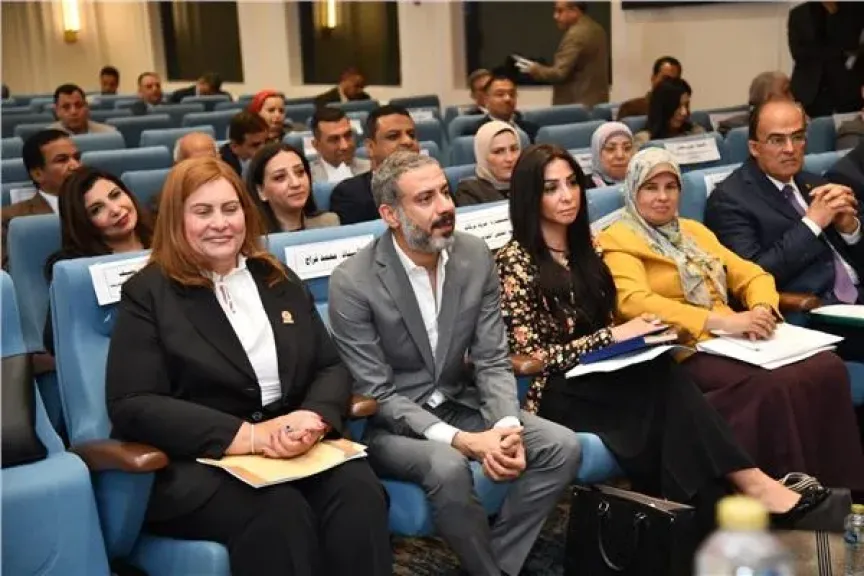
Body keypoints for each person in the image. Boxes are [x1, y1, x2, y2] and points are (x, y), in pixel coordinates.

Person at [497, 143, 836, 532]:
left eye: (572, 183)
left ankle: (706, 518)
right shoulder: (514, 261)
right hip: (555, 388)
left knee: (661, 373)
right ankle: (750, 489)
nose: (567, 195)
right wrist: (609, 337)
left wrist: (632, 338)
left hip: (600, 372)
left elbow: (613, 316)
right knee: (662, 391)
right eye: (551, 188)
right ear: (530, 196)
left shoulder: (587, 246)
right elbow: (532, 357)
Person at [105, 157, 392, 576]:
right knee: (278, 511)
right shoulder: (147, 293)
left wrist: (311, 420)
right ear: (176, 220)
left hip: (293, 446)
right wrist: (250, 436)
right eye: (203, 212)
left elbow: (330, 366)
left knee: (358, 490)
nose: (220, 223)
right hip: (200, 462)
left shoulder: (277, 277)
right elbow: (133, 402)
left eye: (230, 209)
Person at [328, 150, 582, 576]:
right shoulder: (354, 281)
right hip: (389, 426)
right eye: (425, 199)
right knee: (447, 465)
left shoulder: (474, 255)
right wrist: (462, 441)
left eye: (445, 192)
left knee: (562, 446)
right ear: (390, 215)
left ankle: (496, 564)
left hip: (459, 401)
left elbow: (492, 357)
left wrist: (505, 427)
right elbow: (378, 394)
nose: (445, 206)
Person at [596, 147, 864, 489]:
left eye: (671, 187)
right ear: (633, 190)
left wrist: (761, 308)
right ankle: (788, 494)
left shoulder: (694, 232)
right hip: (683, 346)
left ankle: (842, 490)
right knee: (775, 384)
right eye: (651, 187)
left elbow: (751, 274)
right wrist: (721, 322)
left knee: (826, 366)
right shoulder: (618, 238)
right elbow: (633, 302)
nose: (663, 197)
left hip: (733, 338)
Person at [706, 99, 864, 362]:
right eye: (777, 140)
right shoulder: (729, 200)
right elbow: (753, 274)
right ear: (754, 147)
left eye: (797, 137)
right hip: (816, 315)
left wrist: (851, 229)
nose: (790, 149)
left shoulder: (812, 182)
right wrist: (812, 224)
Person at [43, 167, 152, 355]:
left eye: (116, 195)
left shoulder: (167, 240)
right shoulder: (77, 271)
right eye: (96, 209)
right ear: (83, 223)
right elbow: (56, 339)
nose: (116, 210)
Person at [2, 130, 81, 268]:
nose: (75, 166)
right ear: (38, 174)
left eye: (77, 157)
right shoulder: (9, 219)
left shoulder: (102, 203)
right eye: (62, 160)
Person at [329, 105, 419, 225]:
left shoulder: (435, 183)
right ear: (370, 147)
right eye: (393, 136)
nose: (408, 141)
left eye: (411, 135)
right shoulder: (349, 194)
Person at [520, 1, 609, 107]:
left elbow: (559, 74)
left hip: (576, 108)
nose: (555, 16)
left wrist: (535, 69)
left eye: (560, 11)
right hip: (597, 105)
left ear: (574, 11)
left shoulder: (575, 35)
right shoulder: (597, 29)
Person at [788, 1, 864, 118]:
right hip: (810, 92)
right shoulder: (798, 13)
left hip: (847, 90)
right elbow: (798, 53)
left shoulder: (856, 8)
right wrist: (834, 53)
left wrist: (834, 12)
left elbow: (852, 46)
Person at [246, 143, 339, 233]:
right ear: (261, 191)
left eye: (300, 172)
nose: (296, 183)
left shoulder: (329, 223)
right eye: (280, 177)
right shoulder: (251, 237)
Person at [454, 120, 520, 206]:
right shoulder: (470, 192)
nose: (509, 158)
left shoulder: (531, 182)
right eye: (498, 151)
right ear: (483, 156)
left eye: (514, 149)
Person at [716, 71, 793, 136]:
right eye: (786, 91)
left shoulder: (795, 125)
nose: (792, 97)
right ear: (766, 98)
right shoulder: (732, 130)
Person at [633, 77, 704, 146]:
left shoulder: (696, 132)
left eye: (686, 105)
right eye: (677, 106)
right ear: (663, 107)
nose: (684, 112)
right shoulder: (644, 140)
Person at [309, 107, 370, 184]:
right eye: (334, 139)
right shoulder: (307, 179)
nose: (345, 146)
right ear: (316, 145)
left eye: (348, 135)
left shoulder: (372, 169)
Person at [475, 73, 539, 143]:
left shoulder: (532, 129)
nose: (507, 98)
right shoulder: (476, 131)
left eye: (512, 94)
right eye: (500, 94)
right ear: (486, 99)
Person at [617, 56, 682, 121]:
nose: (669, 84)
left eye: (674, 81)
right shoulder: (630, 108)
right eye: (665, 78)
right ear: (653, 78)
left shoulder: (680, 111)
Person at [48, 84, 117, 135]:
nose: (73, 112)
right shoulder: (47, 140)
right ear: (57, 111)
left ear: (87, 107)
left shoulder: (109, 134)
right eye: (66, 107)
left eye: (78, 105)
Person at [220, 111, 269, 178]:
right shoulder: (222, 170)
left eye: (267, 142)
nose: (264, 150)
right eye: (255, 145)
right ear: (234, 146)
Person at [587, 121, 634, 188]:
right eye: (610, 149)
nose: (620, 155)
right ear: (597, 154)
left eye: (627, 148)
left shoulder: (643, 181)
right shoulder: (583, 188)